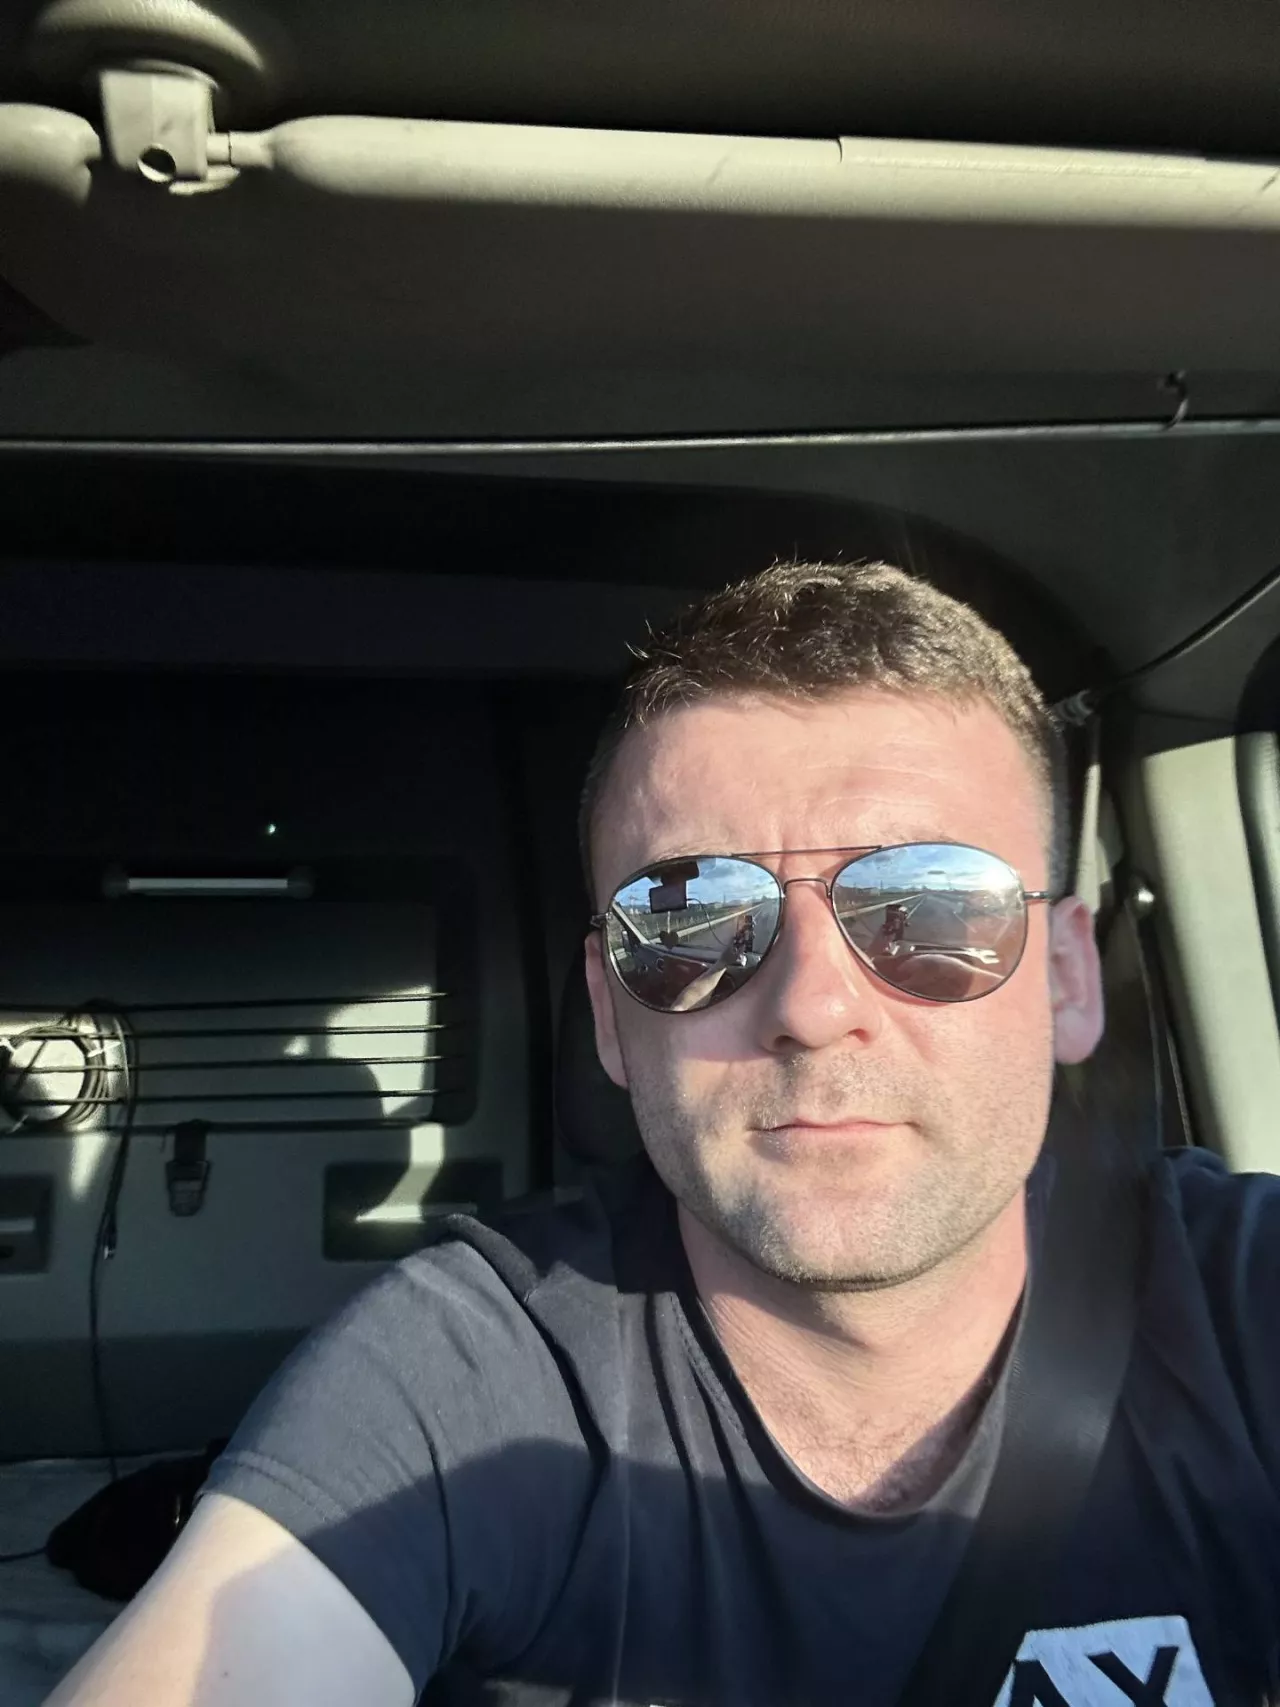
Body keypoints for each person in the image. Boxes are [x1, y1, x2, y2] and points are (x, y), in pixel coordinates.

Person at [47, 563, 1280, 1707]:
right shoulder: (468, 1376)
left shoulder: (1240, 1305)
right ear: (607, 1013)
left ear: (1065, 980)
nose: (809, 1005)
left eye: (928, 907)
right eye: (692, 921)